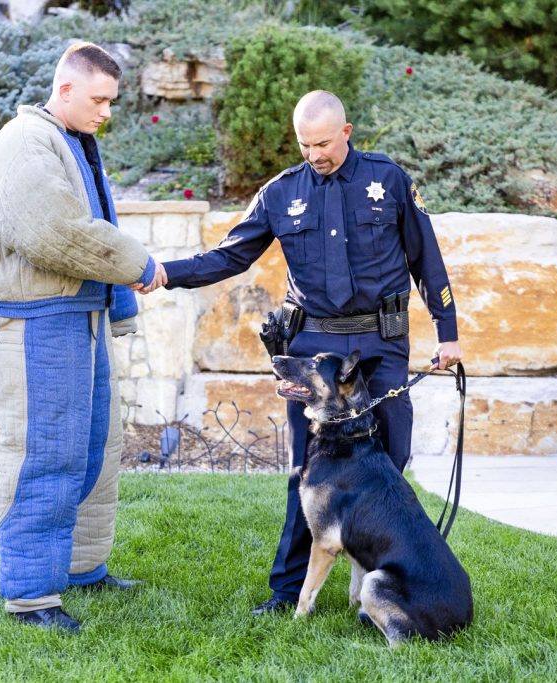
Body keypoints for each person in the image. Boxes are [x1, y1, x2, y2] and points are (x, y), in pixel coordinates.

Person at [139, 90, 462, 616]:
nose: (315, 154)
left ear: (347, 132)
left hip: (379, 349)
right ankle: (287, 591)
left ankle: (381, 581)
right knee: (306, 475)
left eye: (324, 143)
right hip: (314, 353)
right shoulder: (280, 193)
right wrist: (168, 273)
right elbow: (231, 254)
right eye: (305, 144)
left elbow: (428, 259)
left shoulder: (390, 181)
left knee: (389, 467)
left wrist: (447, 333)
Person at [0, 41, 166, 632]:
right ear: (66, 88)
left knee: (96, 447)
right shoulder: (23, 141)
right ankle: (30, 596)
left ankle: (81, 568)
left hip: (77, 319)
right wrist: (137, 264)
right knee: (42, 452)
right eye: (100, 99)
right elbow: (50, 231)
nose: (107, 111)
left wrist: (117, 305)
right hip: (32, 325)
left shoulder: (72, 140)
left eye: (112, 101)